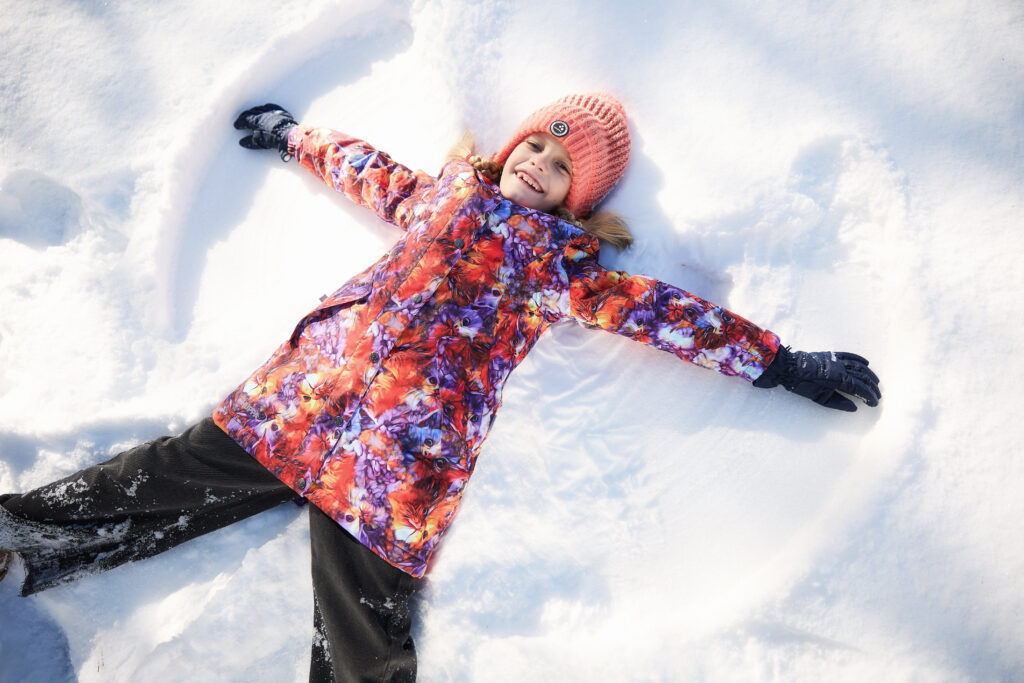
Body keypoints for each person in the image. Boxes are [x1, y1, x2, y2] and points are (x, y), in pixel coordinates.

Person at [0, 93, 881, 681]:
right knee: (159, 473)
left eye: (563, 165)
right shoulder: (437, 198)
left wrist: (775, 361)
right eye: (535, 141)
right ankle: (23, 530)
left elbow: (661, 313)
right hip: (297, 404)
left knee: (364, 629)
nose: (538, 160)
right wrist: (298, 137)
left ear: (580, 201)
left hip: (396, 465)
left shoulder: (559, 269)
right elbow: (367, 169)